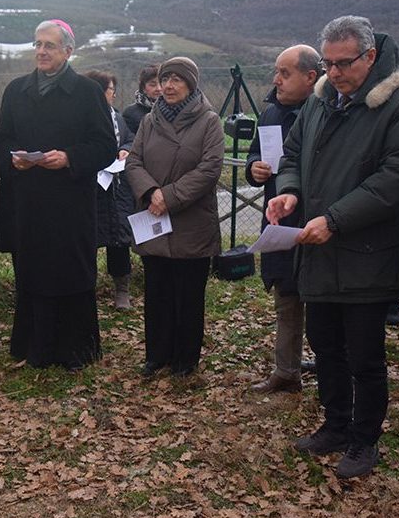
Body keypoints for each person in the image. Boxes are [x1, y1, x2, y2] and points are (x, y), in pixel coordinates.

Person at [267, 16, 399, 478]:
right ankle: (335, 424)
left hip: (367, 258)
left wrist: (335, 220)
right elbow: (293, 155)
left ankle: (364, 440)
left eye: (344, 64)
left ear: (370, 56)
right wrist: (291, 191)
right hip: (319, 253)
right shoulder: (320, 103)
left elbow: (394, 181)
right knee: (326, 347)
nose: (334, 73)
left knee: (364, 356)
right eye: (328, 64)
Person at [0, 19, 116, 371]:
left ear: (68, 51)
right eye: (37, 45)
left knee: (71, 273)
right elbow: (3, 138)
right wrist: (13, 159)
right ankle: (37, 347)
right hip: (28, 200)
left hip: (70, 202)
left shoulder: (87, 92)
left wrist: (69, 157)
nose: (41, 51)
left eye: (49, 45)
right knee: (33, 272)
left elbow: (106, 145)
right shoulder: (16, 90)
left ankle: (75, 350)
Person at [125, 57, 224, 377]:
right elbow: (134, 161)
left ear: (191, 84)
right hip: (154, 218)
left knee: (188, 295)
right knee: (157, 292)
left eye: (176, 80)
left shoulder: (209, 121)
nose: (167, 85)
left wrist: (168, 197)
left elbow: (209, 169)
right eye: (164, 79)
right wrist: (151, 192)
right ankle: (157, 354)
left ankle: (185, 359)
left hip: (191, 222)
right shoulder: (149, 122)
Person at [247, 45, 320, 394]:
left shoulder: (325, 113)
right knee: (285, 297)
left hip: (317, 221)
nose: (276, 80)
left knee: (320, 301)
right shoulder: (271, 112)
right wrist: (254, 169)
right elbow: (255, 156)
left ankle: (331, 365)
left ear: (311, 77)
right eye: (276, 71)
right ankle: (286, 370)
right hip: (278, 220)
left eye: (285, 73)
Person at [83, 69, 136, 309]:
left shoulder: (117, 117)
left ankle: (122, 290)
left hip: (116, 188)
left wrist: (126, 148)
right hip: (89, 187)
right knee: (87, 239)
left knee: (119, 240)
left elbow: (129, 138)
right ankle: (86, 287)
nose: (113, 95)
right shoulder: (79, 118)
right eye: (110, 90)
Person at [122, 64, 161, 135]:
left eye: (161, 84)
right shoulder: (131, 113)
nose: (158, 89)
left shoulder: (173, 109)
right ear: (143, 88)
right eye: (153, 85)